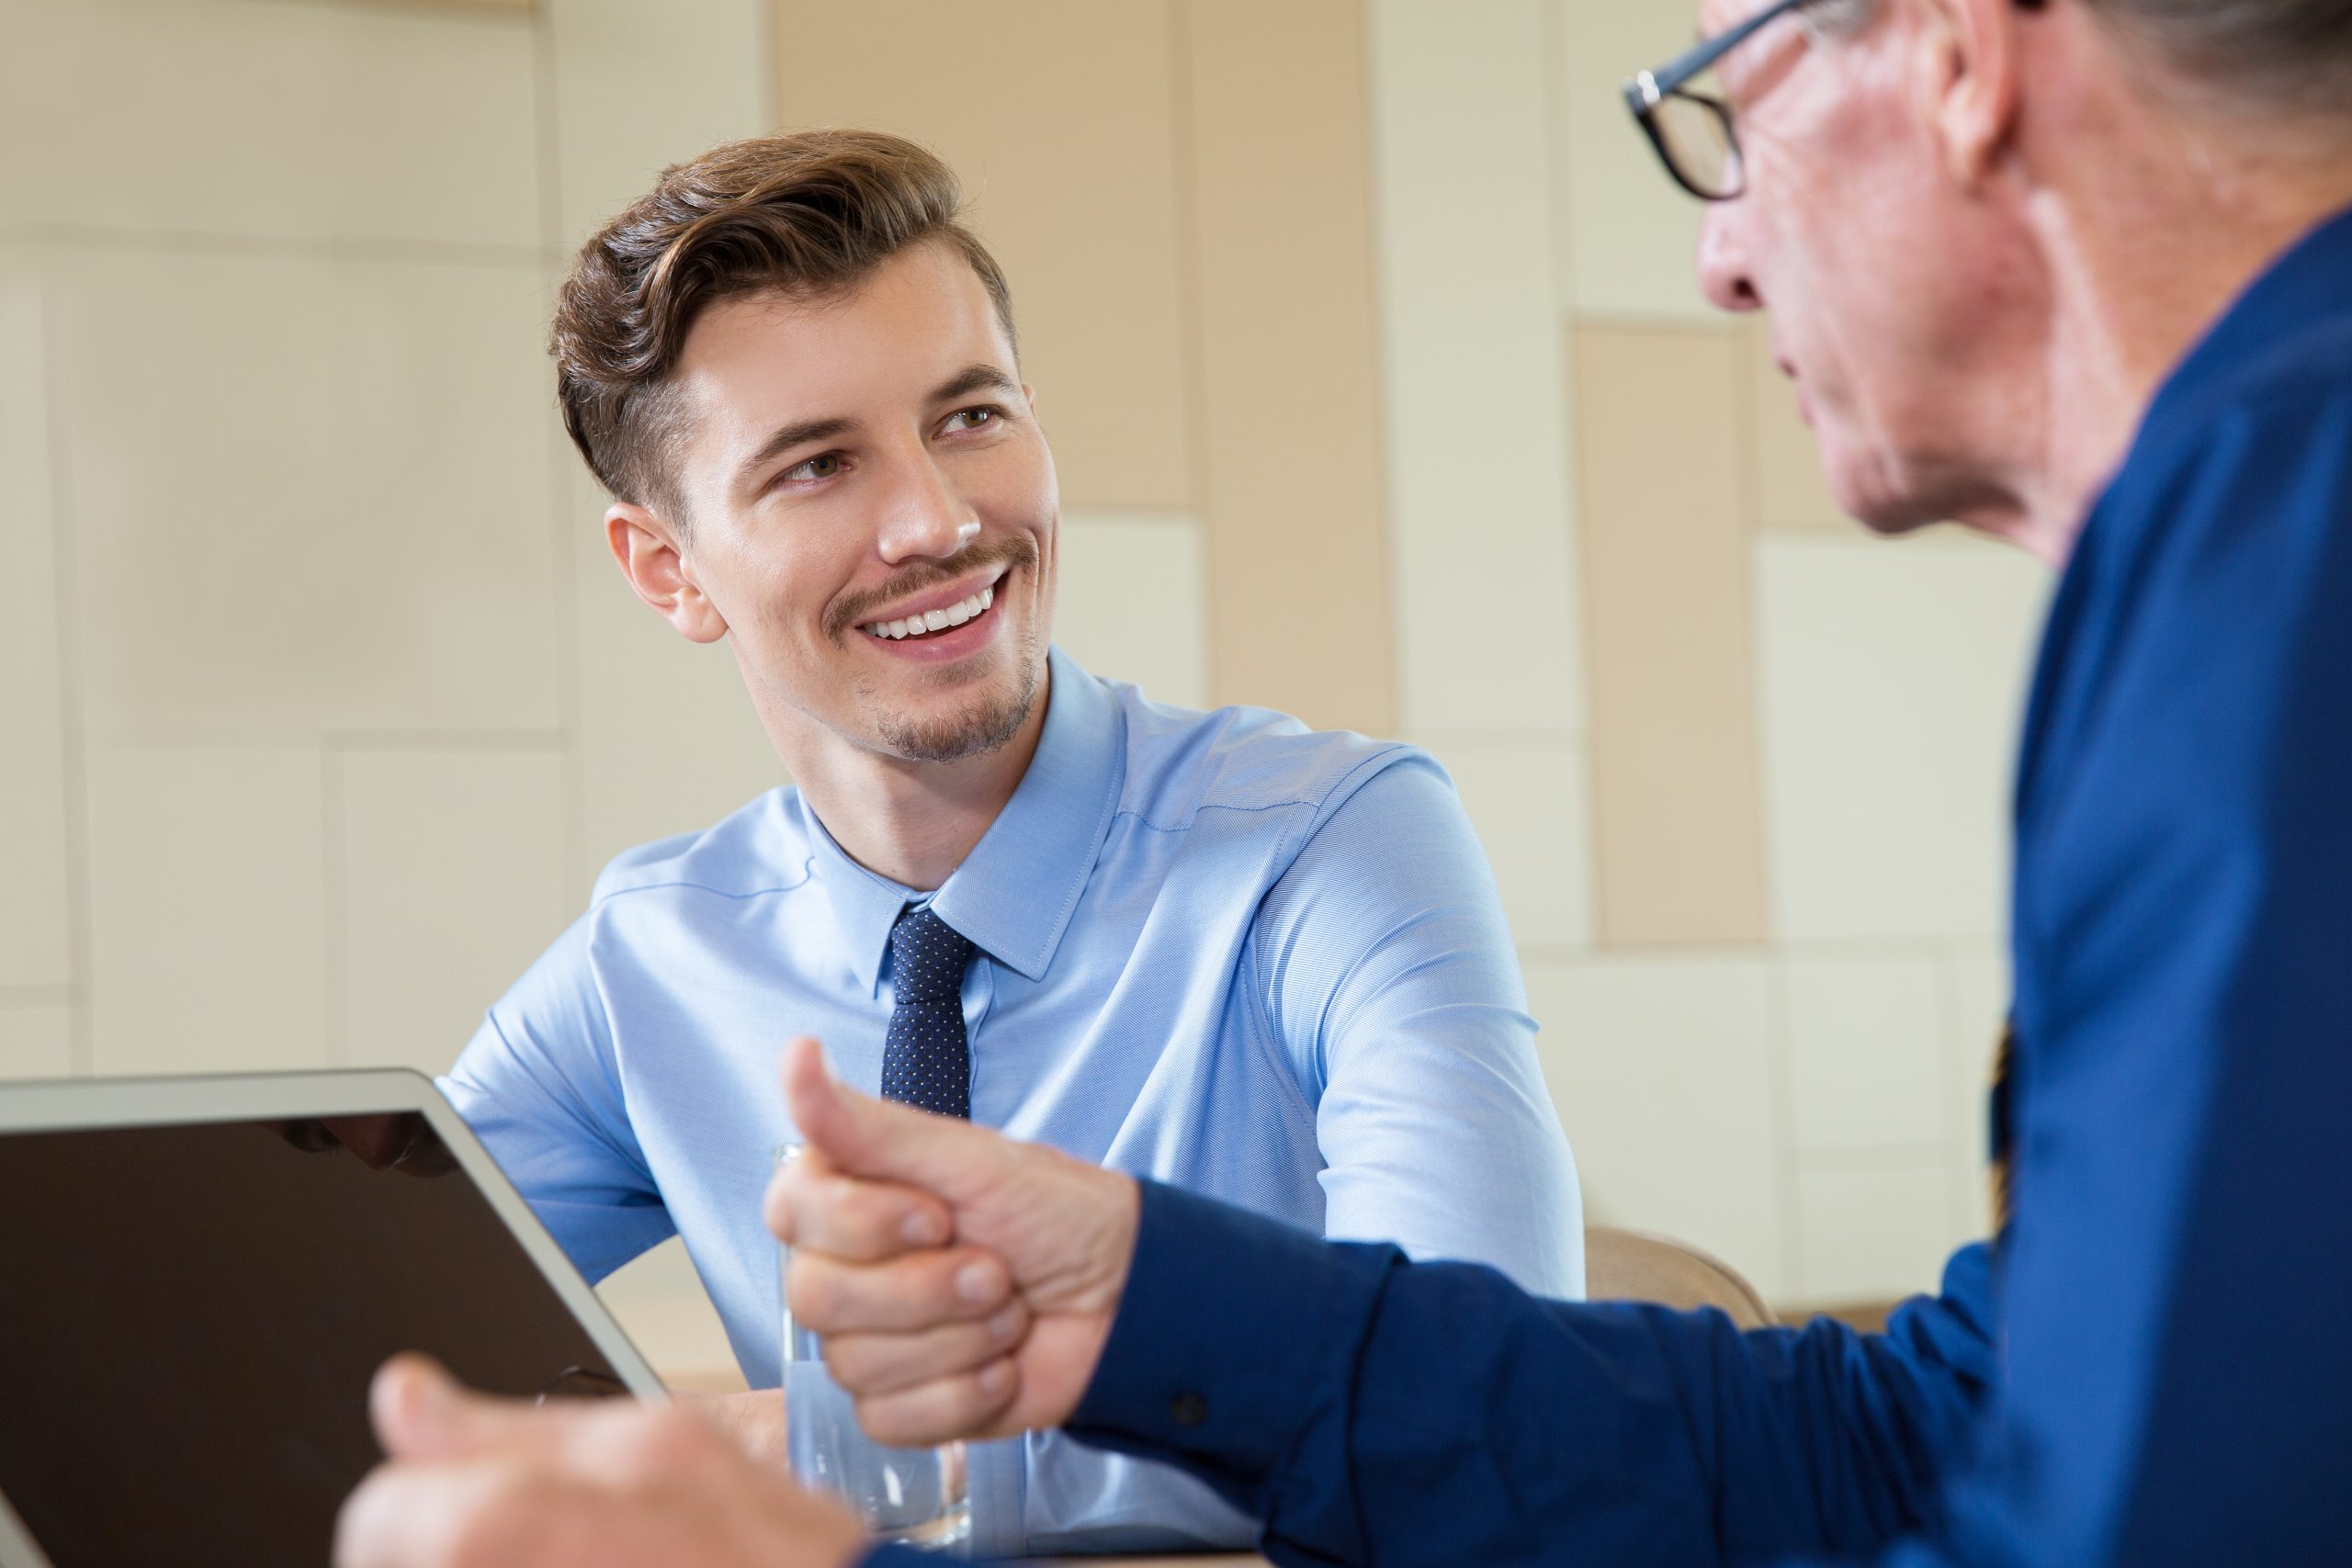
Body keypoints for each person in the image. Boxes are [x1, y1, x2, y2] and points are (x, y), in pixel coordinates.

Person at [334, 0, 2352, 1562]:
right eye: (813, 463)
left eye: (1722, 106)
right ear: (664, 567)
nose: (1719, 254)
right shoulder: (2220, 550)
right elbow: (1942, 1430)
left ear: (1958, 50)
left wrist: (812, 1496)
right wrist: (1148, 1300)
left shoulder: (2278, 548)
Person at [435, 130, 1582, 1556]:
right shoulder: (649, 959)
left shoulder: (1328, 849)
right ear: (671, 571)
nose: (936, 519)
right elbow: (325, 1326)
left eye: (970, 416)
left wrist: (828, 1455)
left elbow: (1484, 1395)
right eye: (815, 467)